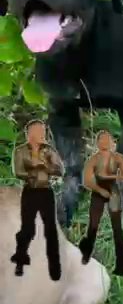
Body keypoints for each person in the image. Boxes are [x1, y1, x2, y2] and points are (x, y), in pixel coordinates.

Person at [11, 119, 64, 280]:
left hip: (46, 191)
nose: (40, 135)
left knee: (51, 230)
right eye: (36, 132)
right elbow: (18, 171)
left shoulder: (49, 151)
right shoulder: (20, 151)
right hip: (30, 190)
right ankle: (20, 260)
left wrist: (44, 165)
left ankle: (55, 269)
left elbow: (60, 170)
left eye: (42, 132)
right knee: (28, 228)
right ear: (29, 134)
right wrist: (34, 170)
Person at [79, 130, 123, 276]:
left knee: (117, 228)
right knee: (93, 226)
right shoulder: (94, 159)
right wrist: (99, 189)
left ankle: (122, 266)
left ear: (113, 143)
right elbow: (87, 180)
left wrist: (112, 177)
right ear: (97, 144)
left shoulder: (118, 158)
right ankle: (84, 258)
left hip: (114, 190)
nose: (104, 143)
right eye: (101, 140)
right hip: (98, 191)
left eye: (107, 140)